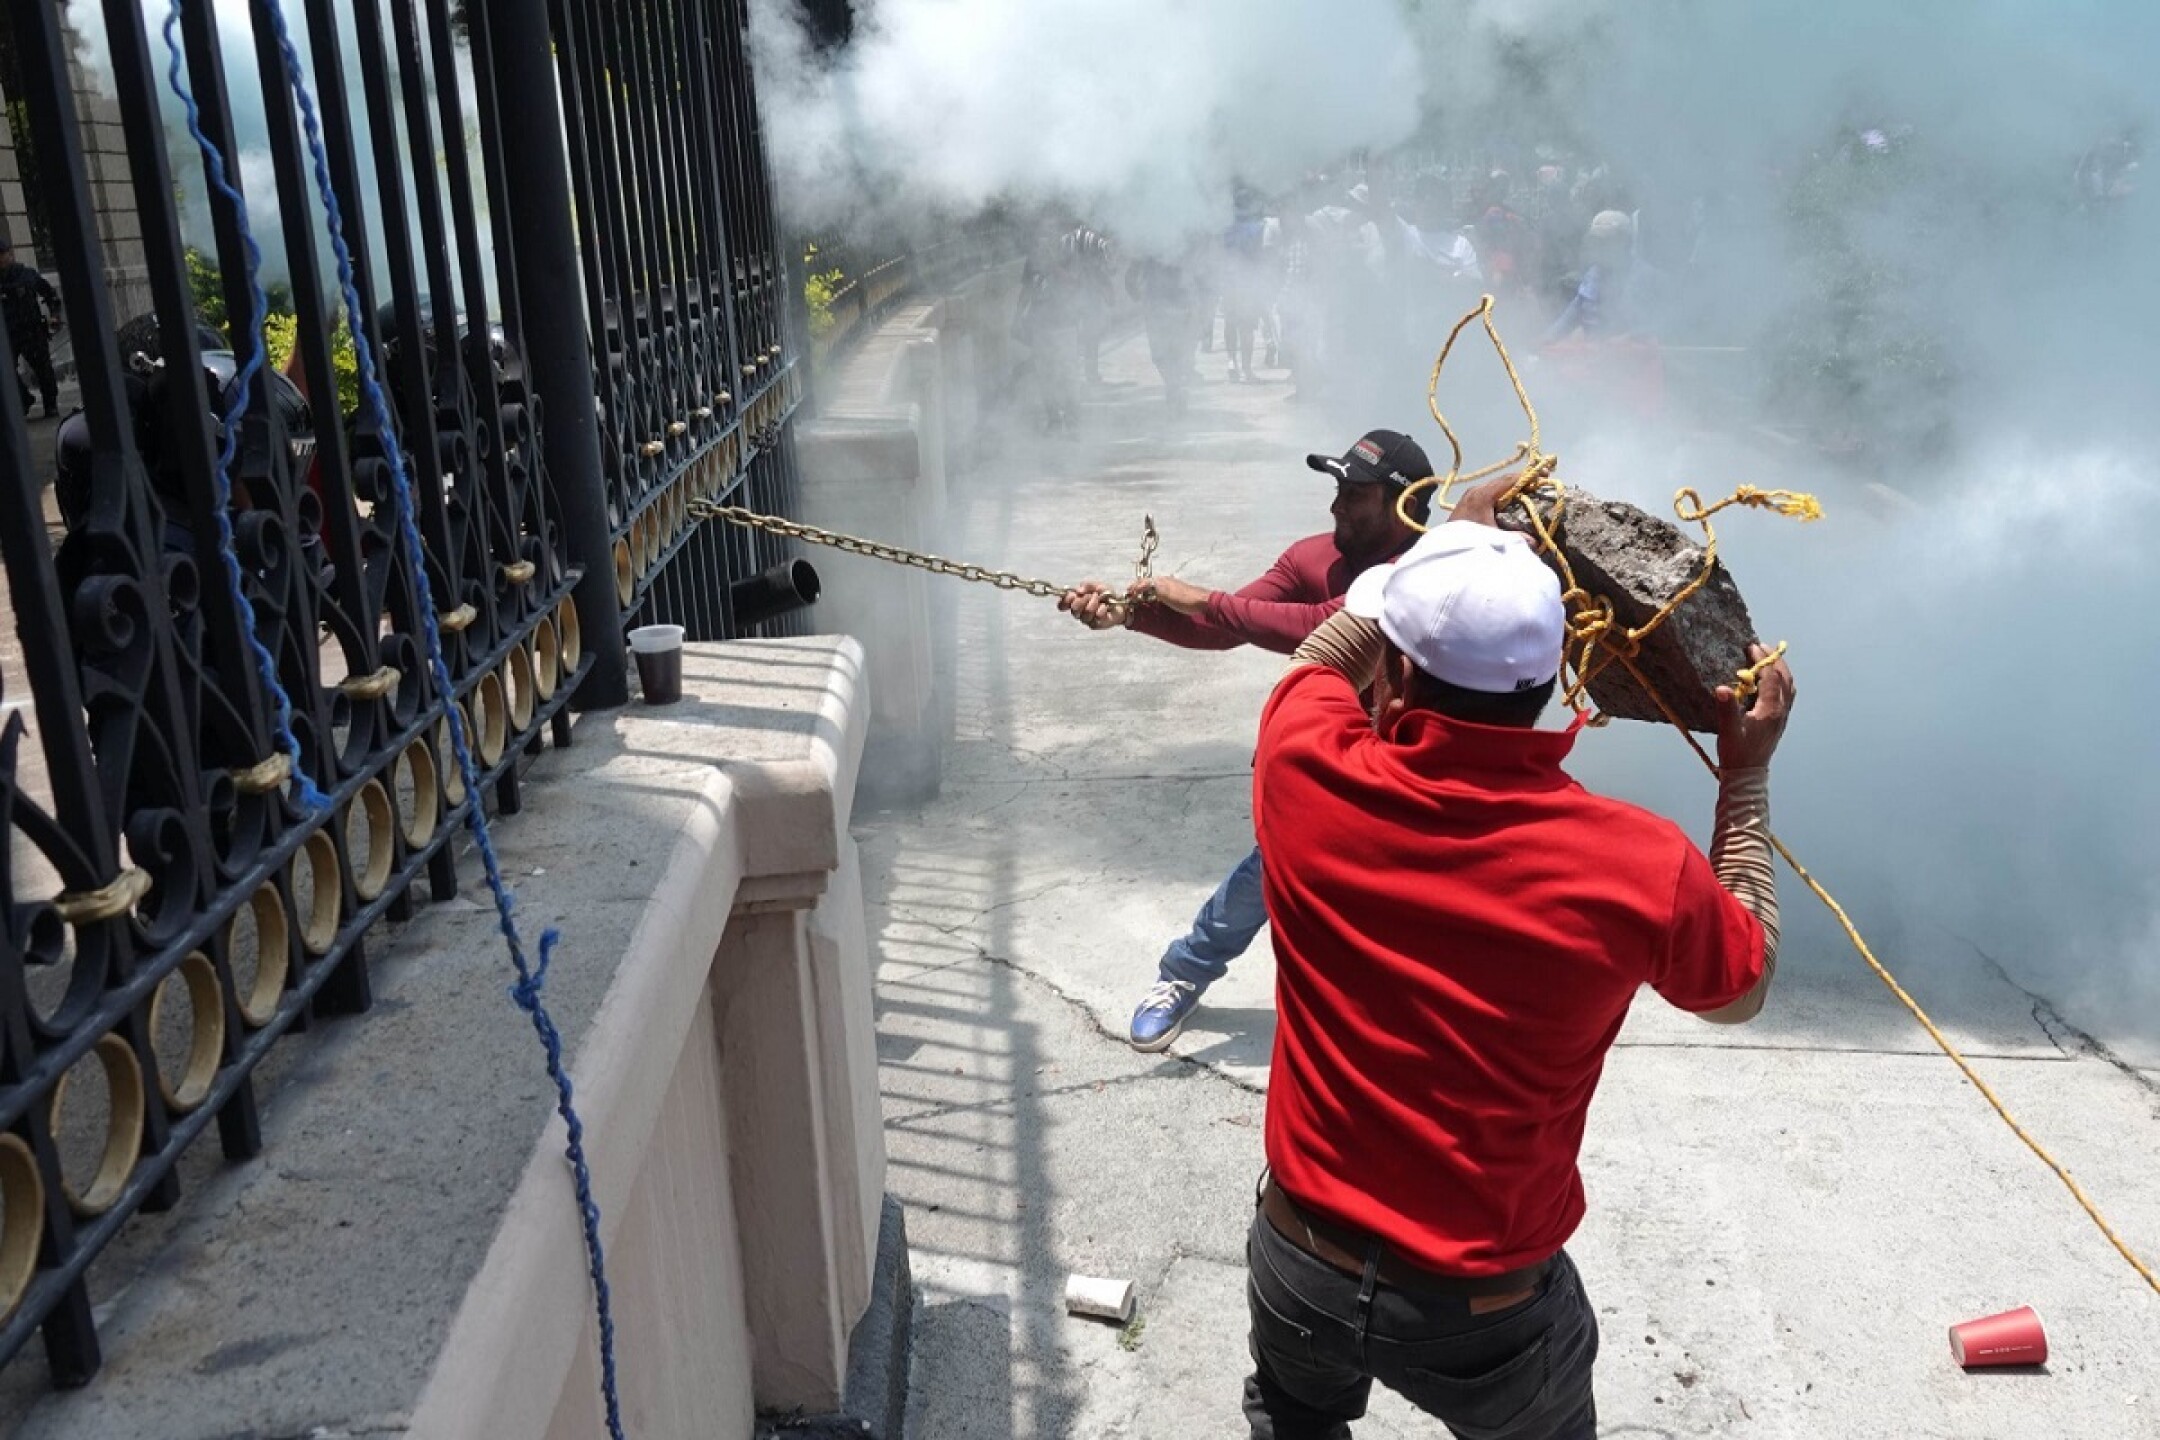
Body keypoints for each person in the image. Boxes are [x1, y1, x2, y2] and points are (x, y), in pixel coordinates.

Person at [1238, 472, 1792, 1439]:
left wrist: (1445, 550)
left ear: (1399, 679)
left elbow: (1323, 661)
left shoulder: (1302, 766)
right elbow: (1738, 988)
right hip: (1484, 1315)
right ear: (1553, 683)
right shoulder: (1634, 864)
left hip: (1301, 1260)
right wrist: (1744, 777)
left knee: (1292, 1421)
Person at [1058, 429, 1436, 1051]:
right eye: (1338, 488)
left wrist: (1202, 596)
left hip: (1414, 772)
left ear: (1406, 506)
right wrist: (1131, 615)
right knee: (1272, 866)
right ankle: (1182, 976)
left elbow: (1317, 625)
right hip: (1332, 765)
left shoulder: (1425, 570)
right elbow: (1225, 626)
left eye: (1357, 494)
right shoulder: (1310, 556)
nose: (1338, 505)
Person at [0, 236, 63, 418]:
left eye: (3, 254)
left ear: (10, 254)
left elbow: (50, 295)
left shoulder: (26, 274)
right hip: (8, 335)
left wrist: (54, 316)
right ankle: (23, 400)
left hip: (31, 331)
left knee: (43, 370)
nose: (1, 259)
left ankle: (50, 404)